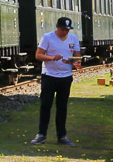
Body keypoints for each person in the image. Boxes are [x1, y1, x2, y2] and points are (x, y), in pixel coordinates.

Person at [30, 16, 80, 146]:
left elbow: (77, 57)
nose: (65, 32)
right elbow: (38, 55)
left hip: (66, 76)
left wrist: (74, 61)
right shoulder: (47, 37)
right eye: (63, 29)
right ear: (57, 27)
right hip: (49, 76)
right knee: (46, 105)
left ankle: (62, 136)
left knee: (62, 107)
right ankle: (41, 134)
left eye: (67, 30)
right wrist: (52, 58)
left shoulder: (73, 38)